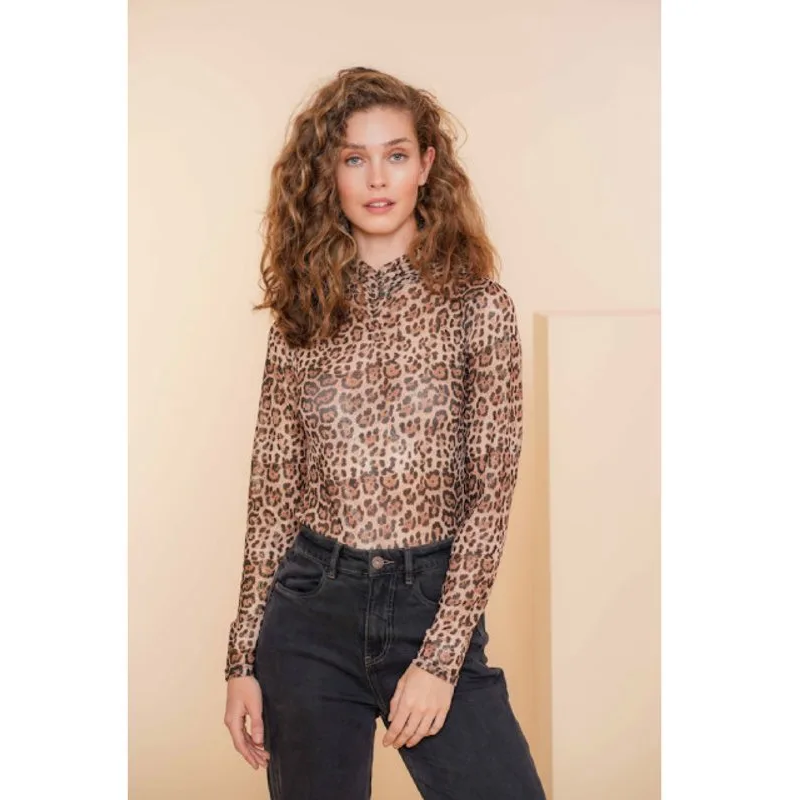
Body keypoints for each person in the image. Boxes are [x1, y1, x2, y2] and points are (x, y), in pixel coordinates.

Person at [223, 66, 547, 799]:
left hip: (431, 602)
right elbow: (271, 499)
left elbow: (490, 499)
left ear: (426, 166)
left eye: (395, 155)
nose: (377, 178)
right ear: (329, 173)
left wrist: (440, 657)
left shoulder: (479, 309)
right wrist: (242, 661)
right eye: (354, 158)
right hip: (309, 610)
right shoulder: (301, 318)